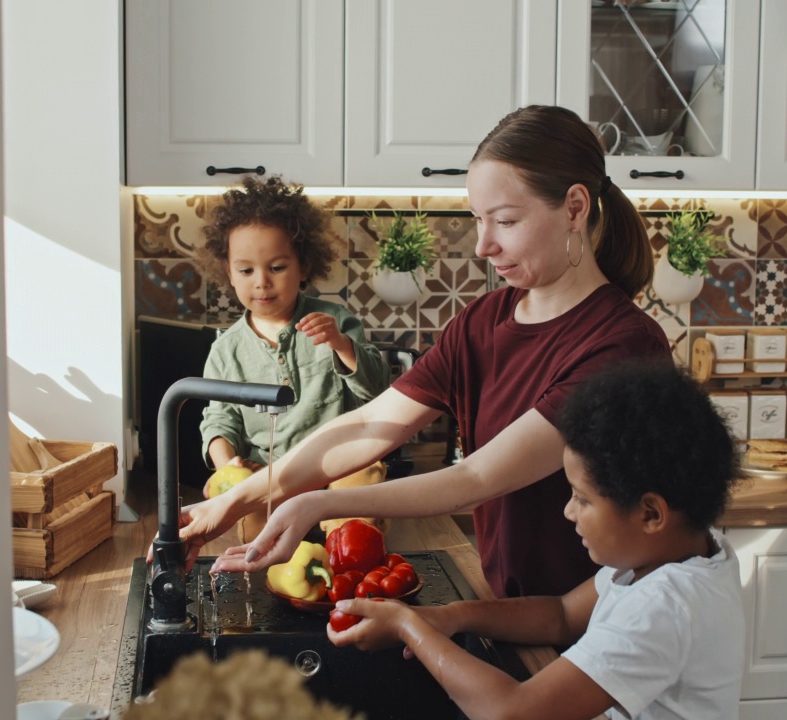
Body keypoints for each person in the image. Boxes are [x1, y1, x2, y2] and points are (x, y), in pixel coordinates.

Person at [183, 104, 670, 598]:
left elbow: (478, 477)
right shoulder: (484, 321)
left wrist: (317, 505)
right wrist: (238, 497)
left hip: (609, 626)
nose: (483, 245)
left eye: (504, 221)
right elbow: (370, 425)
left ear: (574, 207)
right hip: (520, 610)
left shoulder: (623, 346)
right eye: (478, 219)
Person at [328, 361, 744, 720]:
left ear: (650, 514)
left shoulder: (664, 606)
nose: (569, 511)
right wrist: (452, 615)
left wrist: (409, 627)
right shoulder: (676, 554)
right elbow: (560, 615)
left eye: (583, 499)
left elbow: (511, 711)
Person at [194, 175, 390, 541]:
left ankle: (349, 552)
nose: (261, 282)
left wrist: (341, 344)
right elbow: (219, 420)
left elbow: (377, 392)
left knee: (359, 497)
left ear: (303, 265)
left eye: (277, 267)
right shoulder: (225, 351)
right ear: (229, 273)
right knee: (257, 538)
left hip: (340, 461)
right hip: (272, 474)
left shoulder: (337, 321)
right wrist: (227, 466)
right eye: (246, 270)